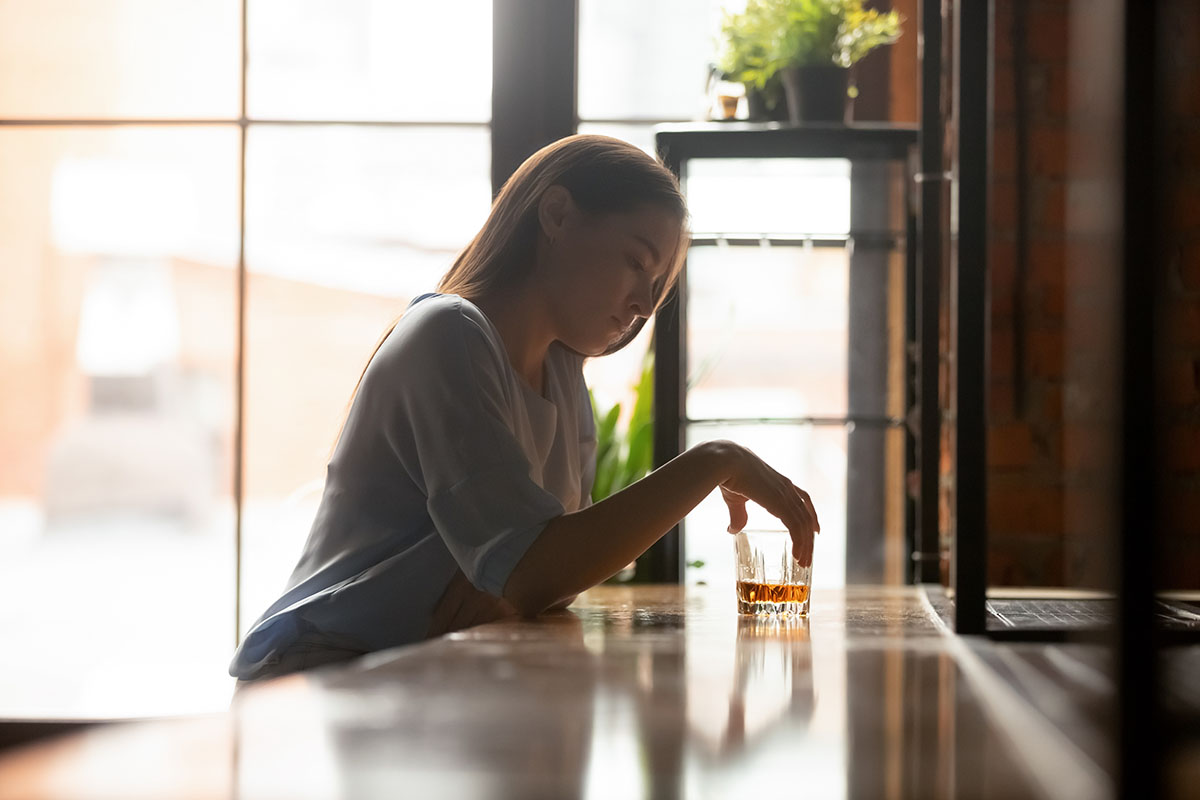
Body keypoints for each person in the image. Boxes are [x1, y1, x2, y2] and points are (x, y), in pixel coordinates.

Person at [229, 135, 820, 682]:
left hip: (425, 672)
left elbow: (549, 573)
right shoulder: (449, 333)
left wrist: (519, 581)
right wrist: (717, 461)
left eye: (656, 281)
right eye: (636, 262)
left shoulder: (562, 374)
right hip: (324, 677)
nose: (643, 303)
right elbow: (539, 568)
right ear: (557, 214)